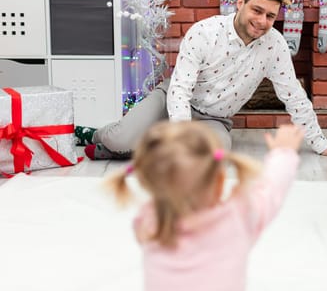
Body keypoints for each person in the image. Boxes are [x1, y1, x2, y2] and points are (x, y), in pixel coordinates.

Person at [82, 0, 327, 160]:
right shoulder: (204, 32)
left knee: (215, 154)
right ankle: (97, 136)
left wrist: (321, 144)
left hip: (215, 119)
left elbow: (294, 96)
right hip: (174, 100)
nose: (262, 21)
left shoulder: (275, 45)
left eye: (270, 16)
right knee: (118, 138)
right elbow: (180, 89)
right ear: (240, 2)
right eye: (256, 10)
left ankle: (149, 141)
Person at [105, 121, 304, 291]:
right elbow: (271, 189)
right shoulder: (238, 217)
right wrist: (283, 152)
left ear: (149, 184)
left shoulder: (147, 223)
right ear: (220, 182)